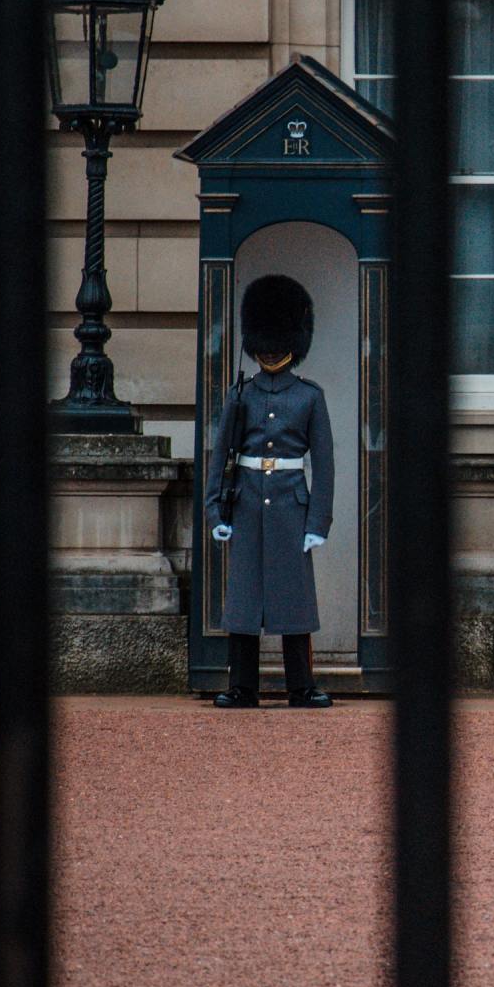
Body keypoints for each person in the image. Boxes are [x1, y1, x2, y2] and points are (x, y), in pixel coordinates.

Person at [203, 274, 336, 709]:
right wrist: (215, 513)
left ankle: (301, 685)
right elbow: (220, 456)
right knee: (243, 600)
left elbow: (325, 464)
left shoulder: (309, 398)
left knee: (294, 599)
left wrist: (318, 521)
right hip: (245, 504)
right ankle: (243, 686)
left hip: (289, 506)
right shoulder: (240, 393)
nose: (272, 349)